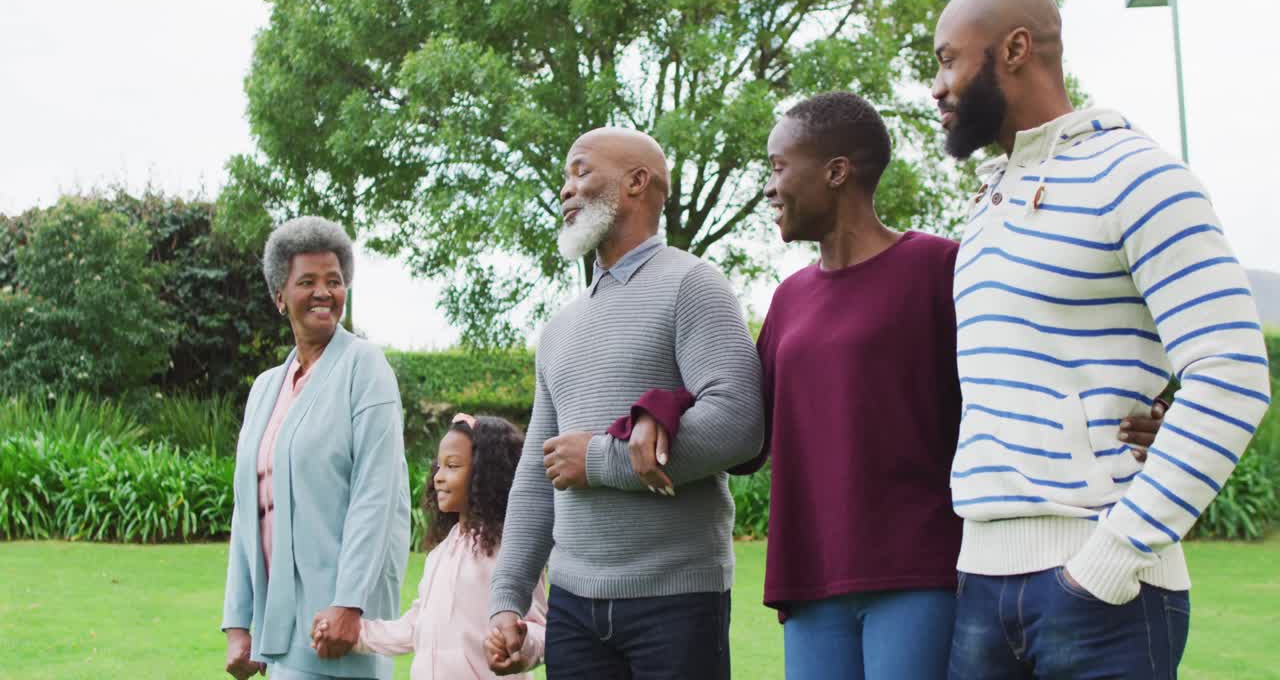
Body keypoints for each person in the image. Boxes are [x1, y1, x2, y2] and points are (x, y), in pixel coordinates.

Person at [742, 91, 1167, 680]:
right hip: (810, 578)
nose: (768, 186)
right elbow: (742, 427)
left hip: (919, 575)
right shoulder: (788, 299)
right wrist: (654, 412)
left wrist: (1151, 402)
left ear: (836, 171)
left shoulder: (942, 269)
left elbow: (1030, 361)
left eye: (778, 166)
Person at [932, 0, 1271, 678]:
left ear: (1015, 49)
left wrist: (1111, 558)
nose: (936, 87)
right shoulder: (983, 207)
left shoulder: (1140, 178)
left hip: (1101, 592)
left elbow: (1231, 375)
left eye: (946, 59)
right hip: (980, 590)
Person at [486, 127, 765, 679]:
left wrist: (598, 461)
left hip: (677, 603)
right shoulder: (560, 328)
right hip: (570, 609)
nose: (566, 189)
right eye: (566, 176)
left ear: (637, 182)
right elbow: (537, 477)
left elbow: (740, 421)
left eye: (581, 170)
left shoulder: (694, 285)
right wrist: (507, 598)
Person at [222, 216, 411, 680]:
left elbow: (376, 495)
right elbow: (248, 510)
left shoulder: (366, 368)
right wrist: (238, 623)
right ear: (279, 297)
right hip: (281, 630)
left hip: (339, 627)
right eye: (307, 281)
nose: (324, 292)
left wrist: (350, 604)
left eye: (334, 281)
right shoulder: (266, 388)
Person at [311, 414, 548, 679]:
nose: (438, 477)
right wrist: (355, 633)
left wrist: (521, 642)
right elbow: (417, 625)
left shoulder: (511, 549)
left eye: (452, 466)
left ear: (486, 473)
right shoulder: (441, 552)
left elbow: (540, 628)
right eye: (438, 466)